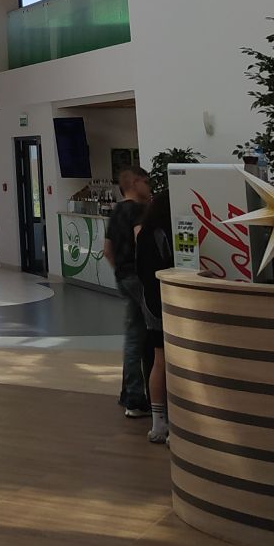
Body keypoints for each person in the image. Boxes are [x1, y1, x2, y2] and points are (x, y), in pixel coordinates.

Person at [103, 166, 152, 417]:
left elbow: (107, 250)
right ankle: (137, 398)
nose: (150, 186)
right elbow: (141, 243)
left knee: (133, 335)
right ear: (134, 182)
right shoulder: (139, 211)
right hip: (139, 278)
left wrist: (120, 272)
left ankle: (129, 394)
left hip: (123, 277)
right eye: (146, 181)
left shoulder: (117, 211)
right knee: (146, 337)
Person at [134, 189, 174, 444]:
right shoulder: (163, 234)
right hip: (165, 302)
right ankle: (175, 422)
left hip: (149, 302)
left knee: (158, 359)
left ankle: (158, 423)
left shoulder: (144, 233)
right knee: (173, 361)